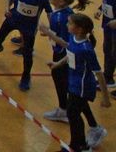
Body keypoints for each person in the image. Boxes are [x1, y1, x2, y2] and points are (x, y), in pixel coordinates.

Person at [41, 13, 111, 151]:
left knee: (73, 115)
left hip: (82, 87)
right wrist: (57, 64)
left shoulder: (86, 49)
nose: (67, 25)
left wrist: (105, 97)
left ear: (79, 29)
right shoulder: (74, 39)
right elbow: (69, 52)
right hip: (73, 83)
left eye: (70, 23)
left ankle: (79, 146)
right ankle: (90, 134)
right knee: (76, 110)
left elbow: (99, 73)